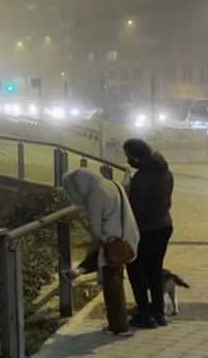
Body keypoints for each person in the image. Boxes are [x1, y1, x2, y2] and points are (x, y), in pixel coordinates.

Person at [61, 168, 140, 336]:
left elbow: (96, 231)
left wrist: (93, 247)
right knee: (115, 280)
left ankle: (119, 327)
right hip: (127, 237)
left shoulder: (94, 195)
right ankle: (82, 269)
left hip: (114, 245)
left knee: (112, 285)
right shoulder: (112, 183)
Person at [123, 138, 174, 328]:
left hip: (146, 229)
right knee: (154, 270)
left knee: (136, 270)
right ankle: (158, 313)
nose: (128, 160)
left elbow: (136, 207)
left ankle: (144, 314)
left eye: (128, 156)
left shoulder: (142, 176)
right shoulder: (165, 171)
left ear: (135, 156)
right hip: (164, 226)